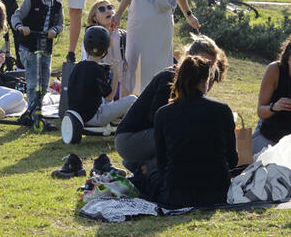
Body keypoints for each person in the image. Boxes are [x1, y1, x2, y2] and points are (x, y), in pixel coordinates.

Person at [115, 35, 227, 176]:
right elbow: (156, 118)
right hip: (130, 139)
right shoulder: (169, 77)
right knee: (185, 133)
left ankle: (151, 166)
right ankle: (147, 168)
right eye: (201, 62)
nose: (205, 70)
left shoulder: (196, 84)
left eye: (210, 66)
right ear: (188, 57)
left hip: (149, 137)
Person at [153, 55, 238, 208]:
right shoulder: (222, 110)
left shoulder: (163, 114)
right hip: (217, 191)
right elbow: (232, 159)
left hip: (176, 194)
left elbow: (162, 163)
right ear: (204, 81)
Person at [11, 0, 64, 122]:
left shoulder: (57, 6)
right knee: (34, 81)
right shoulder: (30, 1)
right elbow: (16, 17)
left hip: (45, 48)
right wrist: (21, 27)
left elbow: (60, 24)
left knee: (44, 81)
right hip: (29, 47)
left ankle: (36, 110)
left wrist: (55, 30)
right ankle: (33, 113)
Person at [67, 26, 137, 128]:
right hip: (93, 118)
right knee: (133, 99)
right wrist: (116, 74)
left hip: (75, 116)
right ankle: (129, 125)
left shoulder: (78, 66)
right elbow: (109, 97)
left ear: (86, 47)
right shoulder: (97, 70)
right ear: (105, 51)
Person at [82, 0, 126, 97]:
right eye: (102, 9)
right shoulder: (90, 36)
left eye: (110, 7)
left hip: (122, 83)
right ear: (94, 18)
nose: (108, 11)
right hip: (100, 82)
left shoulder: (122, 35)